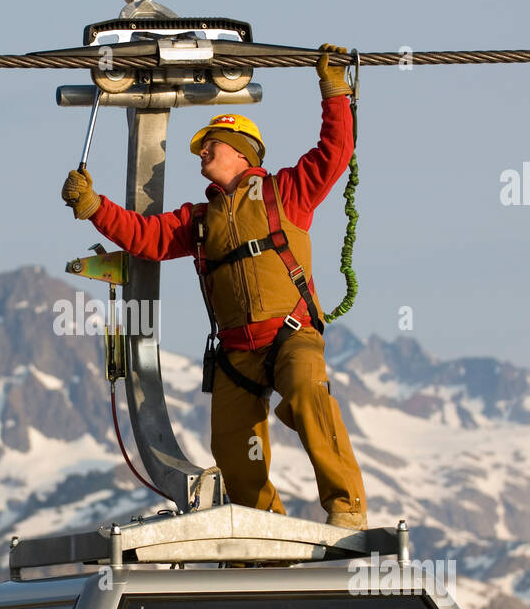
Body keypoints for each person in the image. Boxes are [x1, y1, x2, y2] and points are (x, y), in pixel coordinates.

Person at [60, 45, 368, 529]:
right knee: (230, 445)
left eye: (212, 143)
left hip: (291, 337)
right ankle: (263, 530)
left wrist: (333, 89)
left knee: (309, 395)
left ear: (241, 151)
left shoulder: (283, 192)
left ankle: (346, 506)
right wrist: (94, 206)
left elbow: (334, 153)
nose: (202, 150)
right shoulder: (199, 220)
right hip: (236, 353)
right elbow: (149, 237)